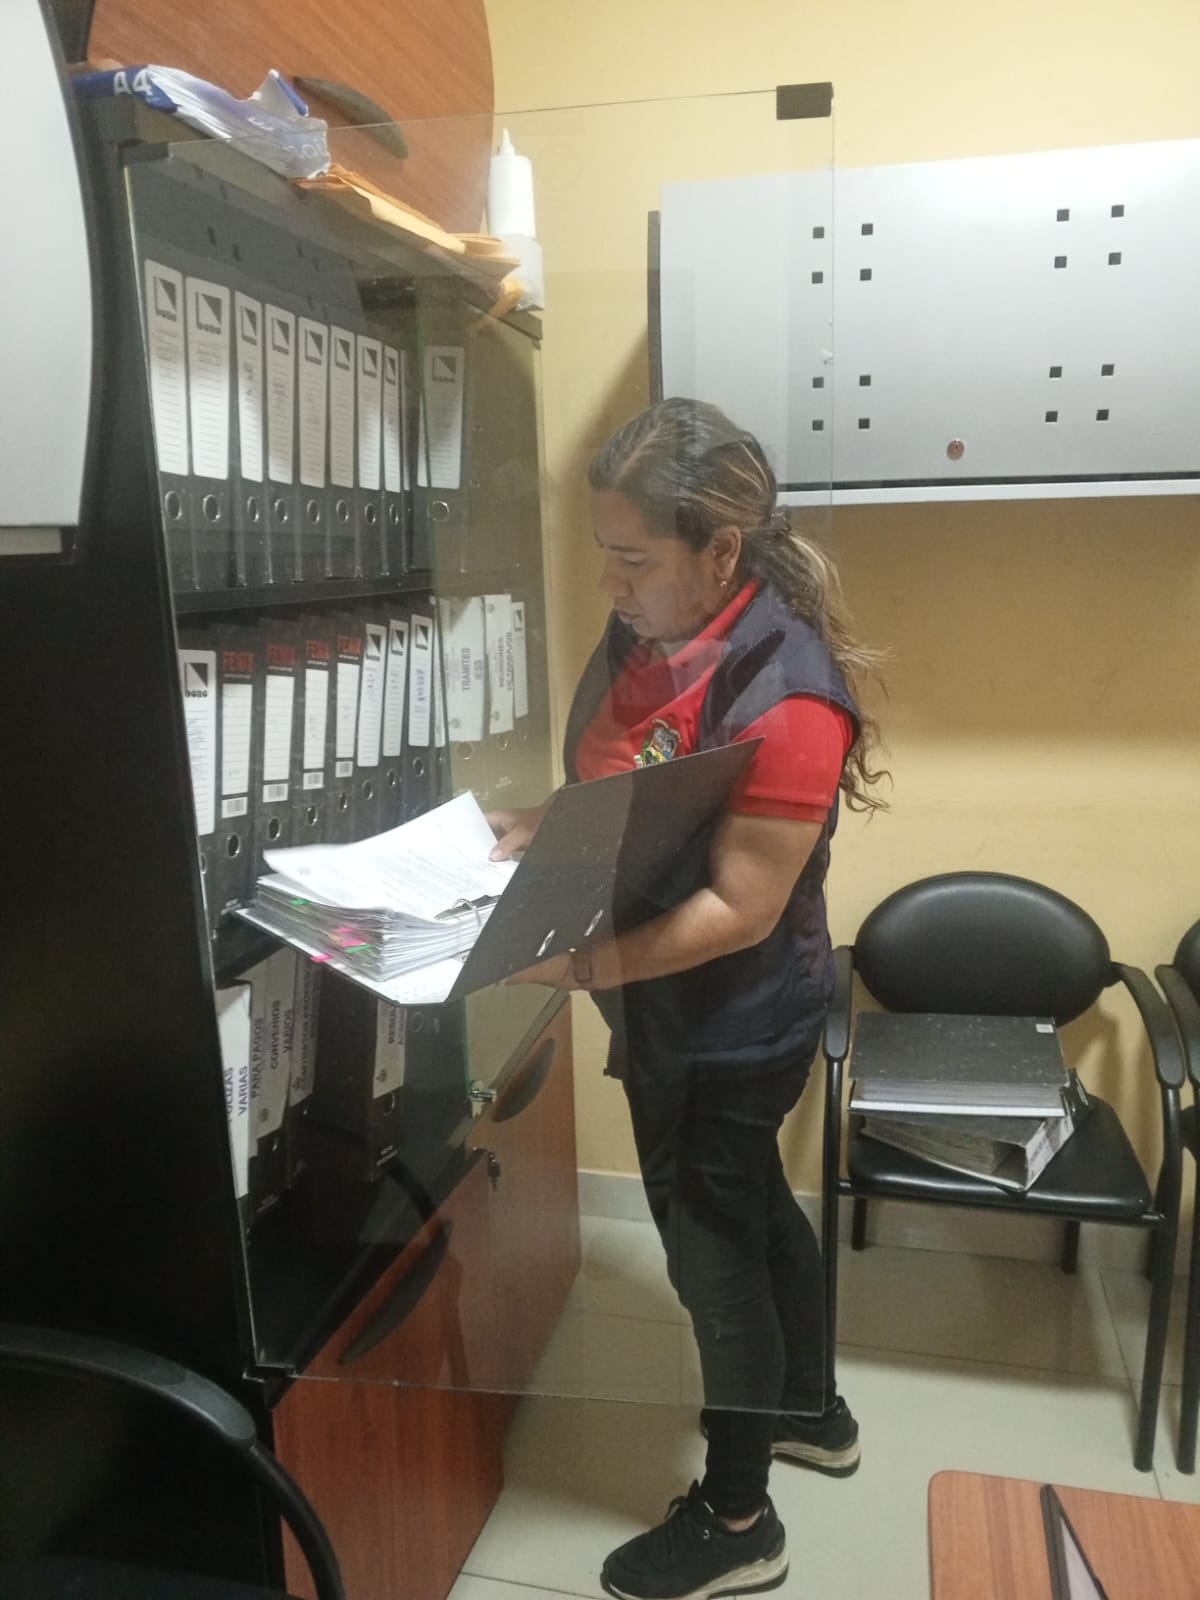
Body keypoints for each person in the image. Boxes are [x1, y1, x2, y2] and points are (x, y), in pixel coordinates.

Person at [489, 397, 887, 1600]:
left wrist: (576, 966)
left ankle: (737, 1519)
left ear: (721, 551)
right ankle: (810, 1408)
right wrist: (544, 826)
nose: (611, 587)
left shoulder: (792, 699)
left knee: (713, 1258)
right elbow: (636, 780)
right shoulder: (658, 632)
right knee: (752, 1203)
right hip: (665, 1007)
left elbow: (742, 908)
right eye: (602, 554)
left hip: (732, 1026)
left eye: (633, 560)